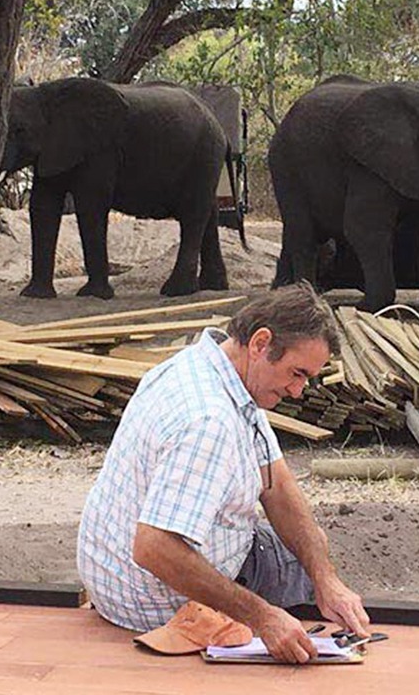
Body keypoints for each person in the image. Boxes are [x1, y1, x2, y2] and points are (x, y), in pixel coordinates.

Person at [77, 283, 370, 664]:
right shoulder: (209, 421)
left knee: (312, 550)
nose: (298, 391)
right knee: (291, 570)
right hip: (156, 599)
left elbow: (276, 484)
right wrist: (262, 617)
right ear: (261, 343)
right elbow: (154, 547)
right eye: (296, 373)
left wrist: (326, 579)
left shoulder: (204, 367)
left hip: (113, 579)